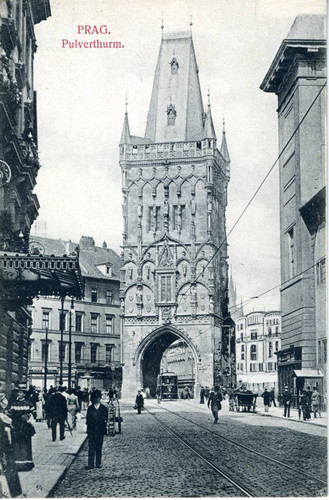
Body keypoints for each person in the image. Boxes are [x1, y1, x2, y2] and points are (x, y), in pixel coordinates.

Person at [7, 385, 36, 471]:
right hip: (15, 427)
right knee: (16, 445)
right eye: (18, 392)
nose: (18, 394)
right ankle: (17, 465)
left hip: (25, 428)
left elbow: (34, 413)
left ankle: (26, 464)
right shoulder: (13, 404)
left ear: (24, 394)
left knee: (26, 445)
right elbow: (9, 414)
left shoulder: (28, 403)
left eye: (20, 392)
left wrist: (27, 416)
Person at [86, 390, 108, 469]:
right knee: (91, 447)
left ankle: (98, 463)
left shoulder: (103, 408)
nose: (97, 399)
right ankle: (90, 463)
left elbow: (106, 419)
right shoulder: (90, 408)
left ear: (100, 398)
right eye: (95, 398)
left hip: (100, 431)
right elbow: (87, 420)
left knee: (99, 447)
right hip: (92, 431)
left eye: (98, 398)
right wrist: (88, 430)